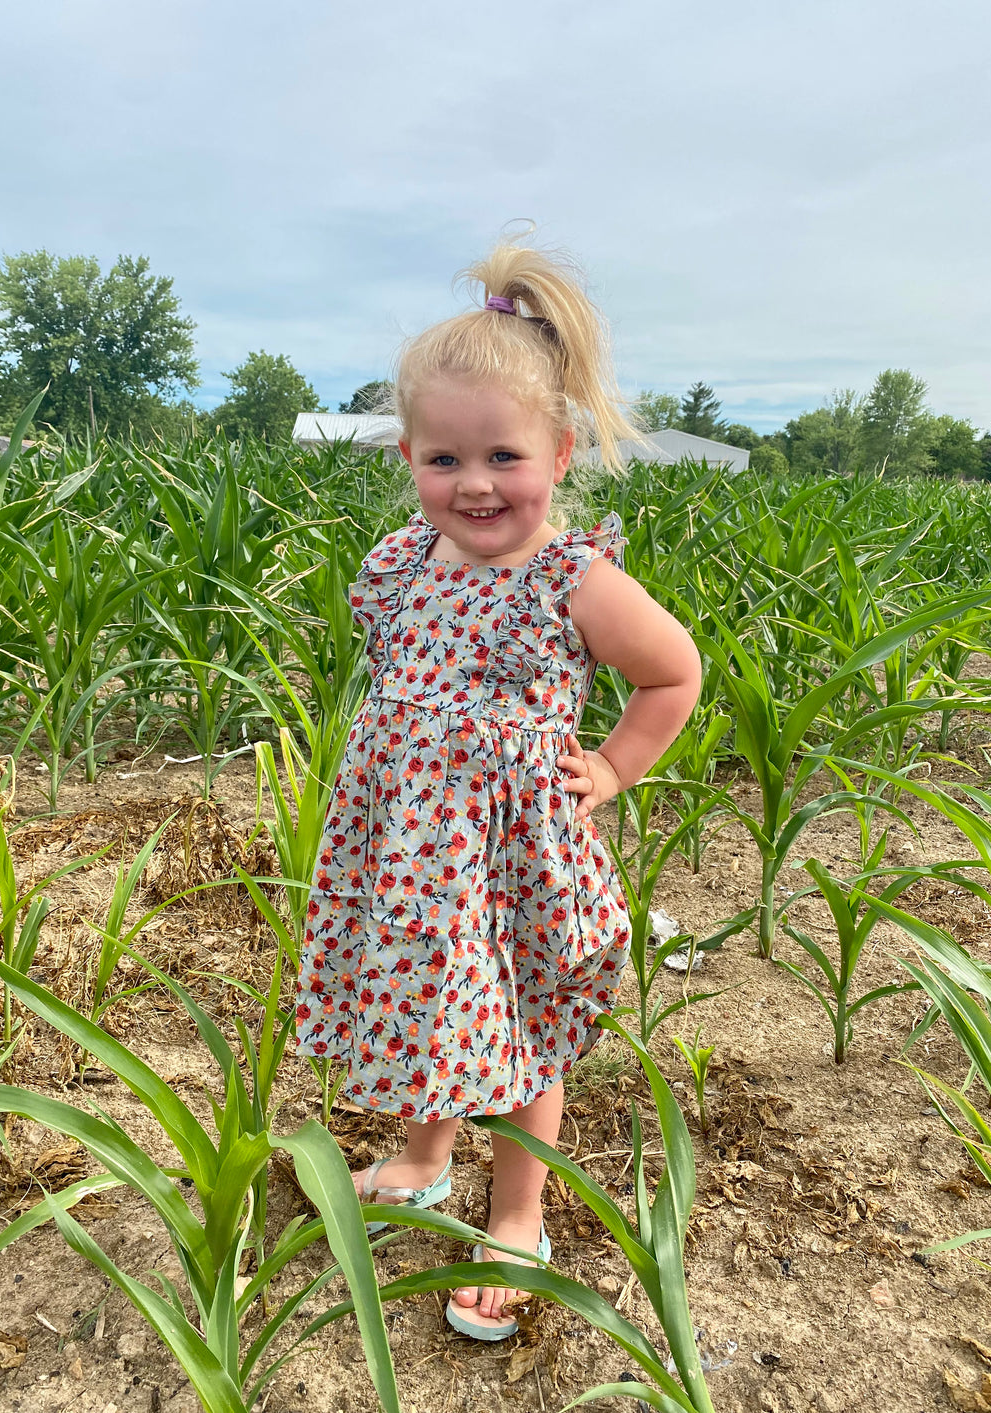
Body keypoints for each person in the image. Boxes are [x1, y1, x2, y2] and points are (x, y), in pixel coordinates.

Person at [295, 238, 703, 1340]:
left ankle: (517, 1213)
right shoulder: (400, 564)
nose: (473, 484)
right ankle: (428, 1155)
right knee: (433, 996)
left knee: (517, 1021)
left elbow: (673, 673)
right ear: (409, 457)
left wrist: (613, 765)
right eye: (442, 460)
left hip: (512, 850)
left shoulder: (572, 579)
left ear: (560, 454)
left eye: (503, 456)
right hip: (411, 847)